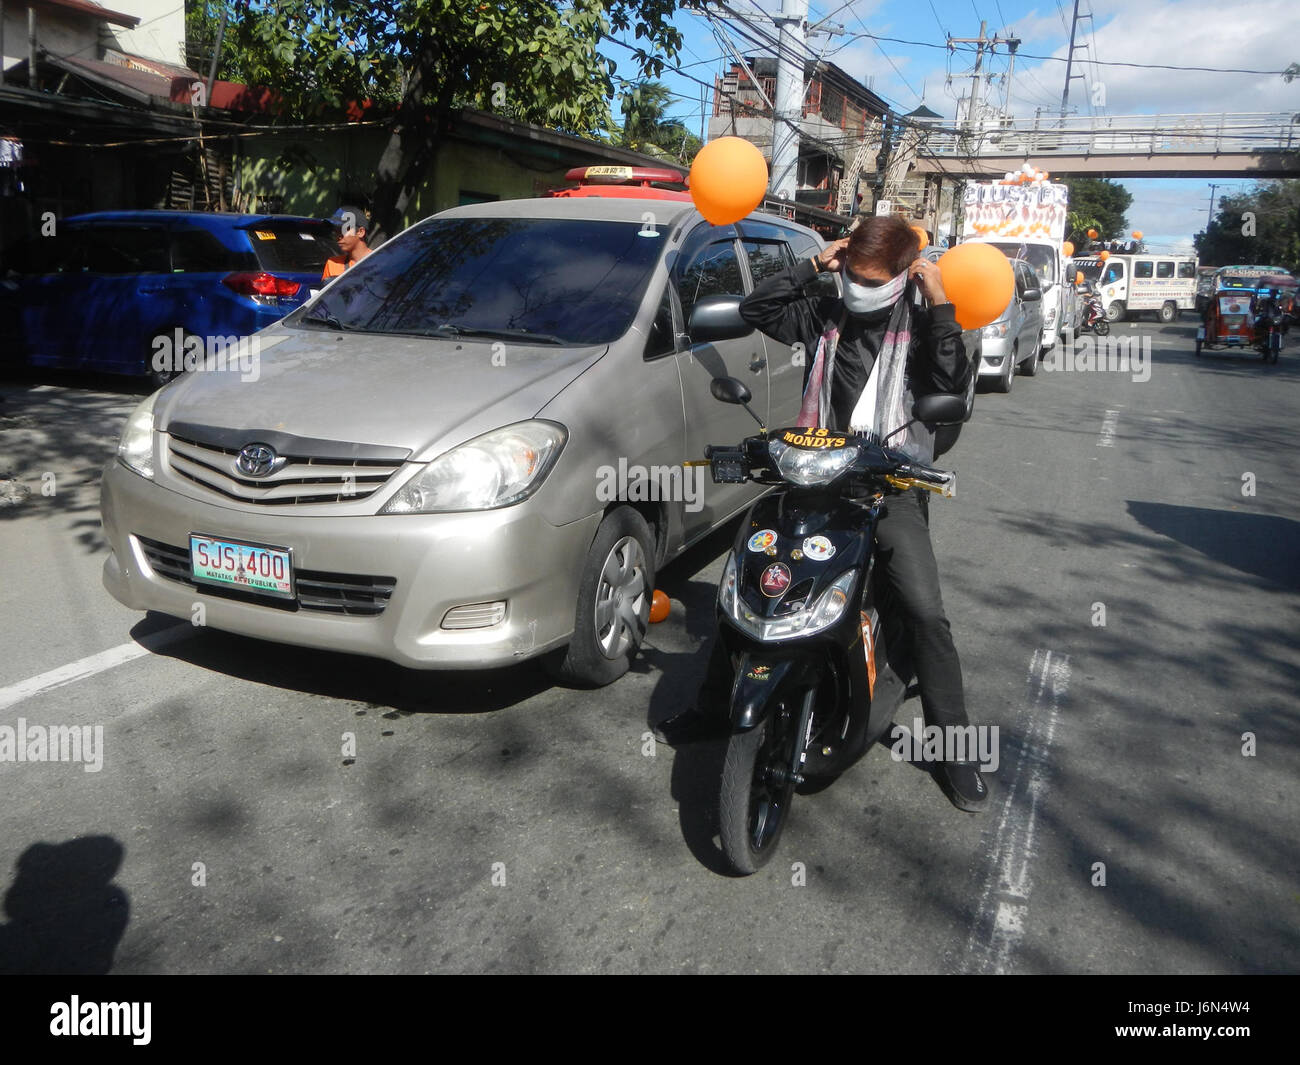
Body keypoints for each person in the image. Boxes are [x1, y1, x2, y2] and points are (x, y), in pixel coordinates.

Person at [655, 216, 987, 812]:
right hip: (812, 477)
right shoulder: (824, 311)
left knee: (924, 612)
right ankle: (711, 705)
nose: (860, 286)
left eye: (873, 279)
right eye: (853, 274)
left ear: (906, 275)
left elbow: (951, 387)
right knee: (749, 584)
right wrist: (814, 263)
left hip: (888, 484)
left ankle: (954, 748)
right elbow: (759, 310)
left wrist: (939, 302)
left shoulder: (924, 321)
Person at [321, 205, 373, 279]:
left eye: (344, 229)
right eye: (336, 231)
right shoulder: (333, 264)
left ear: (360, 232)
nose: (338, 236)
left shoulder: (382, 262)